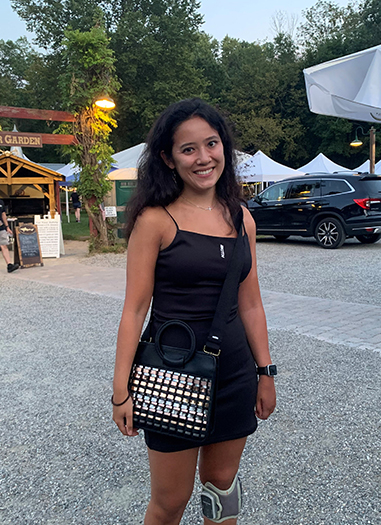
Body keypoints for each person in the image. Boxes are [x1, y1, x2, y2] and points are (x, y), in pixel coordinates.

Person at [112, 99, 276, 525]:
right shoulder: (155, 220)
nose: (204, 158)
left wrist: (265, 372)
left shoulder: (242, 218)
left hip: (235, 372)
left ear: (225, 148)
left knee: (222, 486)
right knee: (171, 501)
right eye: (189, 149)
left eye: (212, 144)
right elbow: (133, 311)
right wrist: (121, 391)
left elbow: (252, 302)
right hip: (171, 373)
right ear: (168, 158)